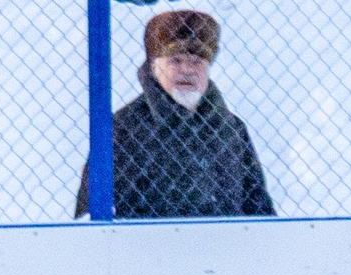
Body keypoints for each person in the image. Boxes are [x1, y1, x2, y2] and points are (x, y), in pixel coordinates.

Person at [75, 10, 276, 222]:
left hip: (227, 251)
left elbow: (259, 208)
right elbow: (89, 216)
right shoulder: (124, 128)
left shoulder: (231, 128)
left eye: (197, 62)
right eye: (176, 61)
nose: (187, 70)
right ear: (154, 67)